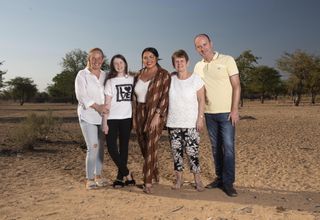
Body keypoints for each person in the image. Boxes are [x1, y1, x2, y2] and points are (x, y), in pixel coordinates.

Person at [194, 34, 241, 197]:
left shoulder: (227, 60)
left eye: (204, 44)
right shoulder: (198, 66)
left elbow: (236, 86)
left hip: (227, 113)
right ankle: (220, 178)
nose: (202, 48)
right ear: (196, 49)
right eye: (199, 46)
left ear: (211, 44)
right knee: (215, 148)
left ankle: (228, 183)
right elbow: (197, 91)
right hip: (209, 114)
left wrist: (234, 110)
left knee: (228, 148)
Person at [166, 49, 205, 192]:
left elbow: (201, 100)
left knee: (192, 152)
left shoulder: (196, 79)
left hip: (191, 123)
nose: (179, 63)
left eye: (182, 61)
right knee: (176, 153)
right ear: (173, 64)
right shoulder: (170, 79)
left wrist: (200, 119)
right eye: (176, 61)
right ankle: (179, 179)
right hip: (174, 123)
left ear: (187, 62)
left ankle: (198, 180)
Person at [133, 47, 171, 194]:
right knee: (144, 146)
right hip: (139, 112)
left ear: (156, 58)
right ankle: (155, 174)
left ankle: (147, 181)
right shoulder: (138, 74)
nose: (148, 60)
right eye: (145, 57)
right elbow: (134, 96)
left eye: (151, 57)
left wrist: (157, 115)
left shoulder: (164, 74)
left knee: (151, 145)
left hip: (155, 112)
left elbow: (165, 97)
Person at [75, 48, 108, 190]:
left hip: (102, 118)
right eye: (93, 58)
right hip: (87, 115)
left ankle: (98, 176)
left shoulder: (105, 75)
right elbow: (81, 96)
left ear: (102, 60)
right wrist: (98, 107)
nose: (96, 61)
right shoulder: (82, 75)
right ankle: (89, 179)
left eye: (99, 58)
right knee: (93, 146)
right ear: (88, 59)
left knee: (100, 148)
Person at [102, 54, 135, 188]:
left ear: (125, 63)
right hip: (112, 119)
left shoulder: (133, 79)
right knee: (111, 148)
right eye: (116, 63)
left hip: (127, 118)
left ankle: (120, 178)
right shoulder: (110, 82)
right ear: (113, 66)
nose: (119, 65)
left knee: (124, 148)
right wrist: (104, 122)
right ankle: (127, 174)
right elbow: (107, 103)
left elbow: (135, 99)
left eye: (121, 62)